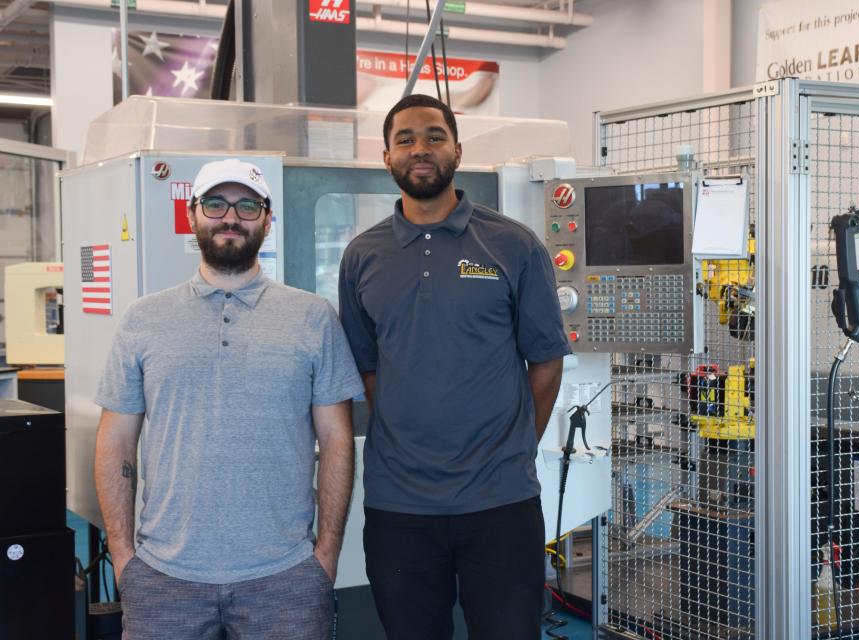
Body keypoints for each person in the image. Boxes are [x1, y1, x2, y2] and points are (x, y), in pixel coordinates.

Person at [94, 158, 363, 640]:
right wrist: (122, 557)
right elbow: (115, 441)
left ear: (267, 217)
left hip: (285, 580)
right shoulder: (144, 319)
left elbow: (338, 441)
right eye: (215, 203)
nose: (230, 216)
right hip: (163, 579)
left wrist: (325, 555)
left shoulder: (313, 318)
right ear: (193, 215)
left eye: (247, 204)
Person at [338, 94, 570, 639]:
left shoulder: (514, 246)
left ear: (458, 149)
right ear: (387, 156)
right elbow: (368, 369)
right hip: (400, 507)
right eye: (406, 139)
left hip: (501, 502)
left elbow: (547, 362)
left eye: (435, 136)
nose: (421, 148)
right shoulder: (362, 257)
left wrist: (513, 446)